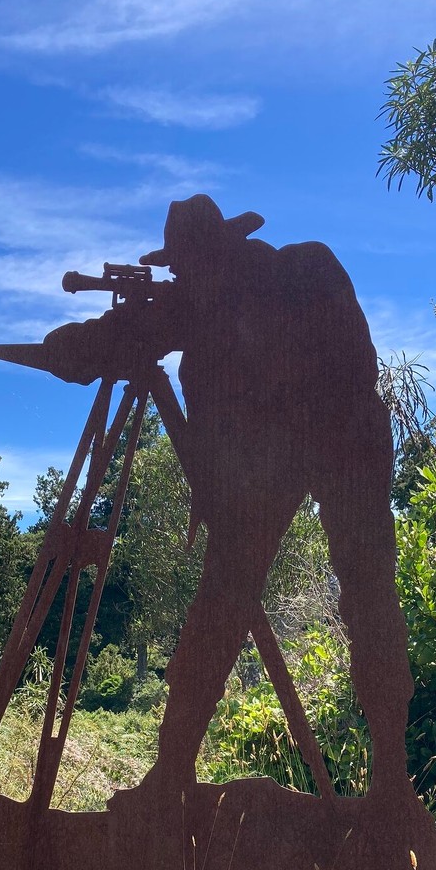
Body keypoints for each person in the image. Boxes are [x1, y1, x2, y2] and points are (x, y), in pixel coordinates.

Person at [37, 194, 413, 799]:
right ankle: (172, 772)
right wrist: (67, 347)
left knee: (368, 597)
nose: (184, 279)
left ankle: (392, 779)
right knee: (223, 598)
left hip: (343, 444)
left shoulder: (299, 271)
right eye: (181, 271)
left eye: (190, 266)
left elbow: (347, 368)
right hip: (284, 458)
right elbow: (119, 336)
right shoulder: (203, 296)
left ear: (221, 253)